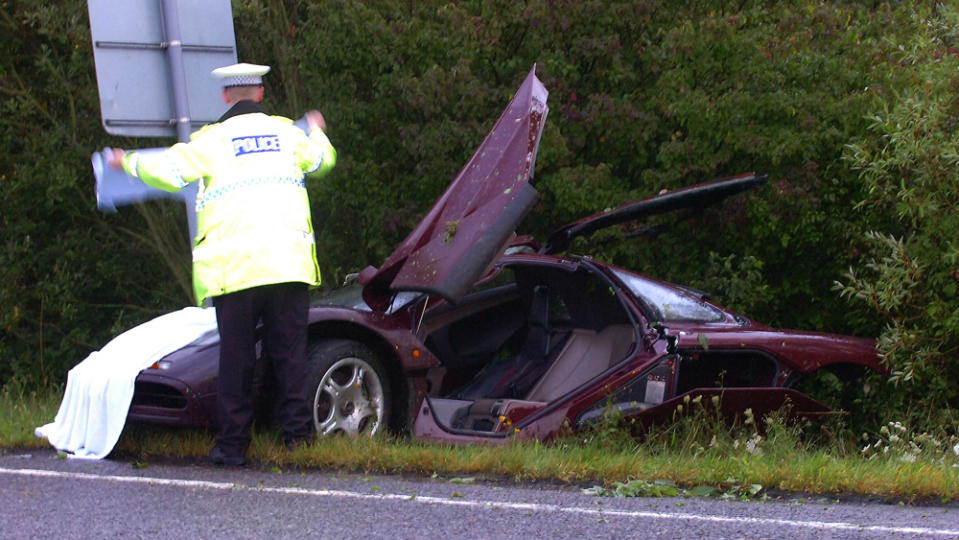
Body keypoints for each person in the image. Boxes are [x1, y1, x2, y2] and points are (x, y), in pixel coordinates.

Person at [107, 62, 336, 466]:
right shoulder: (288, 134)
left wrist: (127, 161)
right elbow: (323, 161)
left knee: (237, 361)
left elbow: (170, 171)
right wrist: (315, 126)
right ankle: (298, 442)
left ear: (226, 96)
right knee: (290, 356)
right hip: (288, 268)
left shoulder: (211, 142)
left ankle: (232, 446)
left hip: (237, 273)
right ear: (261, 94)